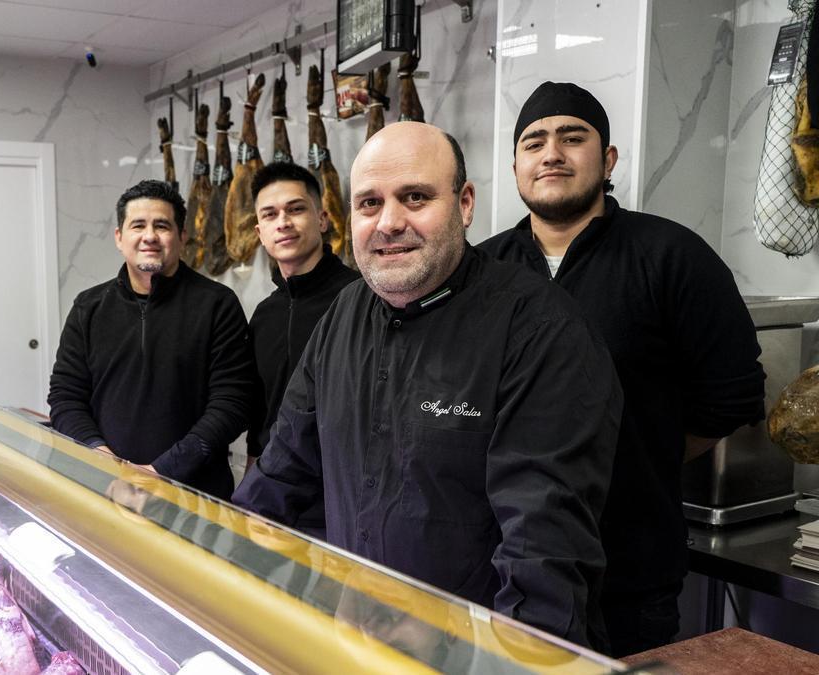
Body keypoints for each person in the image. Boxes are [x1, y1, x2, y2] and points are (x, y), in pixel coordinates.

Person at [233, 121, 622, 649]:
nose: (389, 222)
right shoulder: (343, 315)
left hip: (469, 652)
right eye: (369, 203)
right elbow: (281, 470)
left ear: (465, 204)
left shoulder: (540, 329)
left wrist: (511, 662)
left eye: (415, 197)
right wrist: (215, 561)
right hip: (357, 637)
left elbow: (543, 549)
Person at [479, 81, 765, 656]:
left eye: (572, 137)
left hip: (629, 572)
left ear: (607, 159)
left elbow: (732, 395)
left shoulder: (671, 255)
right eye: (534, 142)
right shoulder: (483, 270)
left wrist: (635, 455)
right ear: (515, 166)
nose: (551, 152)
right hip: (497, 565)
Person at [48, 179, 255, 499]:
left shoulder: (217, 304)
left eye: (162, 225)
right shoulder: (88, 307)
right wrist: (105, 461)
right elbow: (65, 397)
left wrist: (163, 471)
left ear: (182, 236)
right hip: (106, 487)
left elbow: (233, 402)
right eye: (137, 225)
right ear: (119, 237)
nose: (149, 236)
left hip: (195, 494)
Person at [246, 162, 360, 538]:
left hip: (344, 499)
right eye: (270, 214)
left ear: (323, 218)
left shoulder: (360, 299)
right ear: (259, 231)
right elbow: (260, 412)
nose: (284, 222)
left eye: (296, 209)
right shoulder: (264, 315)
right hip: (275, 498)